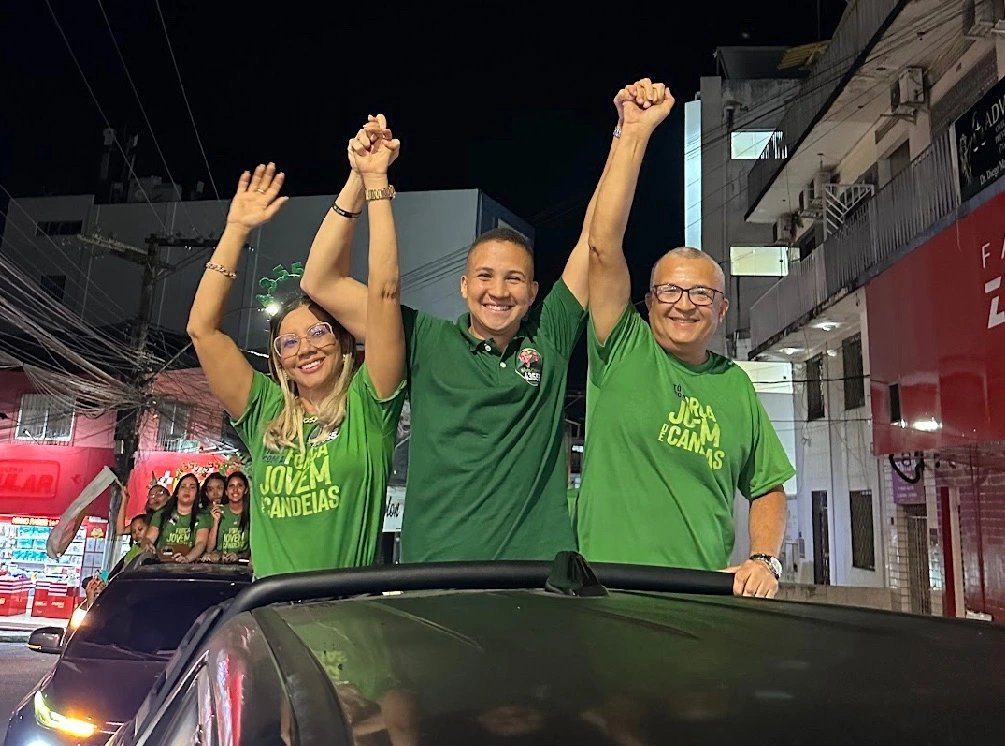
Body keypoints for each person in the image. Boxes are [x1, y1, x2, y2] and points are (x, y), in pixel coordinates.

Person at [301, 88, 643, 562]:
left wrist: (628, 133)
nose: (498, 291)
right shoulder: (423, 338)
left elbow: (595, 236)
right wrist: (361, 179)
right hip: (435, 580)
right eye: (485, 276)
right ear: (463, 286)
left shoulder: (551, 333)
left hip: (536, 579)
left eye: (513, 279)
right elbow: (320, 280)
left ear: (533, 292)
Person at [578, 79, 795, 599]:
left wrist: (764, 559)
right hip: (607, 596)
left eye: (701, 294)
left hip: (700, 598)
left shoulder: (734, 386)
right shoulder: (621, 347)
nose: (684, 303)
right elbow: (603, 245)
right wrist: (633, 133)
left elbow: (767, 486)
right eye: (670, 290)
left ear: (721, 311)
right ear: (647, 301)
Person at [185, 126, 407, 578]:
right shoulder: (264, 410)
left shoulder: (369, 406)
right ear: (278, 359)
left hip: (345, 620)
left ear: (344, 344)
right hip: (272, 622)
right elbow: (201, 329)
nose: (305, 348)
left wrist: (371, 183)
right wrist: (236, 229)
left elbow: (384, 295)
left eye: (319, 333)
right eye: (289, 341)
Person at [144, 473, 211, 563]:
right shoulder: (161, 514)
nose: (187, 490)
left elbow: (201, 543)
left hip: (188, 569)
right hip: (161, 566)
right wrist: (147, 544)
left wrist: (187, 559)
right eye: (183, 487)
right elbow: (148, 538)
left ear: (196, 494)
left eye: (192, 487)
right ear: (177, 493)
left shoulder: (202, 517)